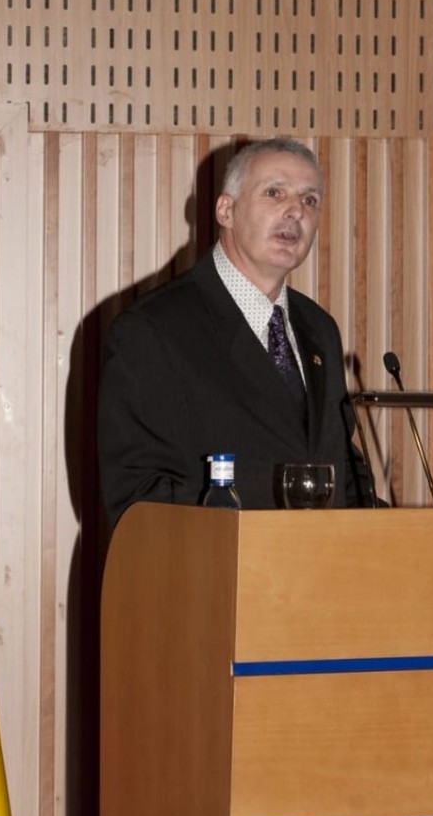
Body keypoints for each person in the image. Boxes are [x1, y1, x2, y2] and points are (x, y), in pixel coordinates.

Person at [97, 137, 367, 527]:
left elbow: (342, 470)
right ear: (226, 210)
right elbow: (138, 496)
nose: (295, 211)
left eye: (310, 201)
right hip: (217, 578)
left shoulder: (319, 329)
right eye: (275, 193)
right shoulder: (152, 330)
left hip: (319, 578)